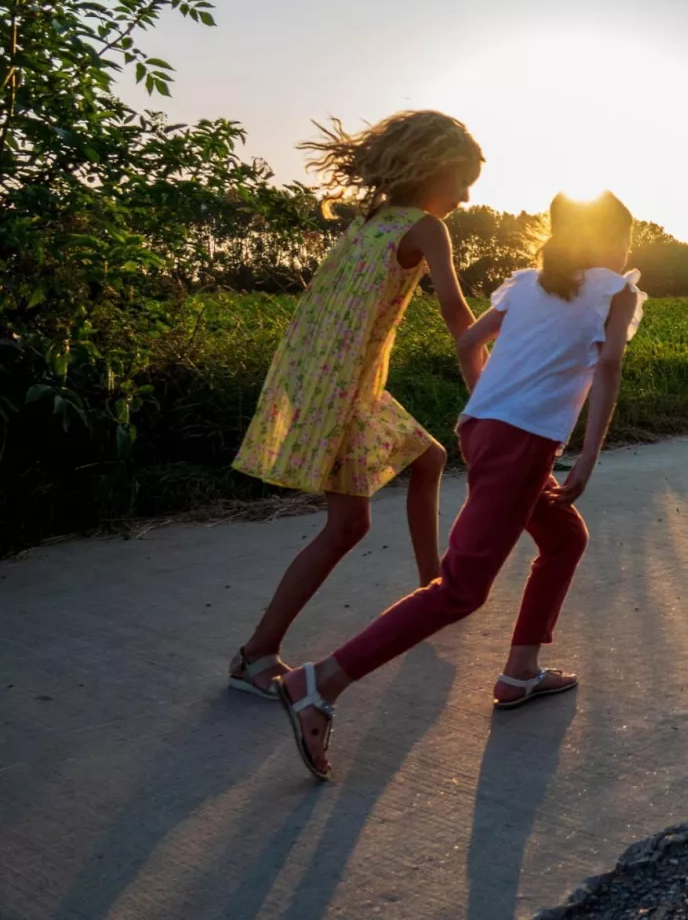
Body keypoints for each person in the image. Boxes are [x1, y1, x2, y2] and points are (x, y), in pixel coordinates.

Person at [277, 191, 645, 779]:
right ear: (606, 239)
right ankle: (319, 682)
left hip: (482, 429)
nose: (627, 250)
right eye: (624, 238)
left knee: (563, 540)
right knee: (460, 590)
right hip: (522, 444)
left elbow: (470, 342)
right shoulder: (615, 290)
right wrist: (588, 457)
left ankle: (520, 671)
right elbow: (608, 367)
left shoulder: (527, 283)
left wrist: (488, 400)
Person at [227, 110, 483, 699]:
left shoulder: (373, 221)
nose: (467, 196)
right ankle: (255, 654)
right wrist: (489, 382)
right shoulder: (424, 227)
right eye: (463, 180)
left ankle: (431, 589)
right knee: (346, 526)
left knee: (428, 459)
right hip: (344, 391)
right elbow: (455, 312)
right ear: (434, 170)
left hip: (336, 382)